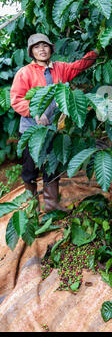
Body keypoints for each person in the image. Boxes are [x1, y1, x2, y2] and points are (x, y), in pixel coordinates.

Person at [10, 33, 98, 212]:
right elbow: (16, 99)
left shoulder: (59, 68)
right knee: (30, 167)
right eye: (36, 47)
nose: (41, 50)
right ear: (31, 52)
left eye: (45, 46)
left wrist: (98, 50)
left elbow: (79, 66)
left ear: (51, 48)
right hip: (31, 130)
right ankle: (32, 206)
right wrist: (35, 111)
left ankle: (51, 204)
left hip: (54, 129)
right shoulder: (25, 73)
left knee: (52, 164)